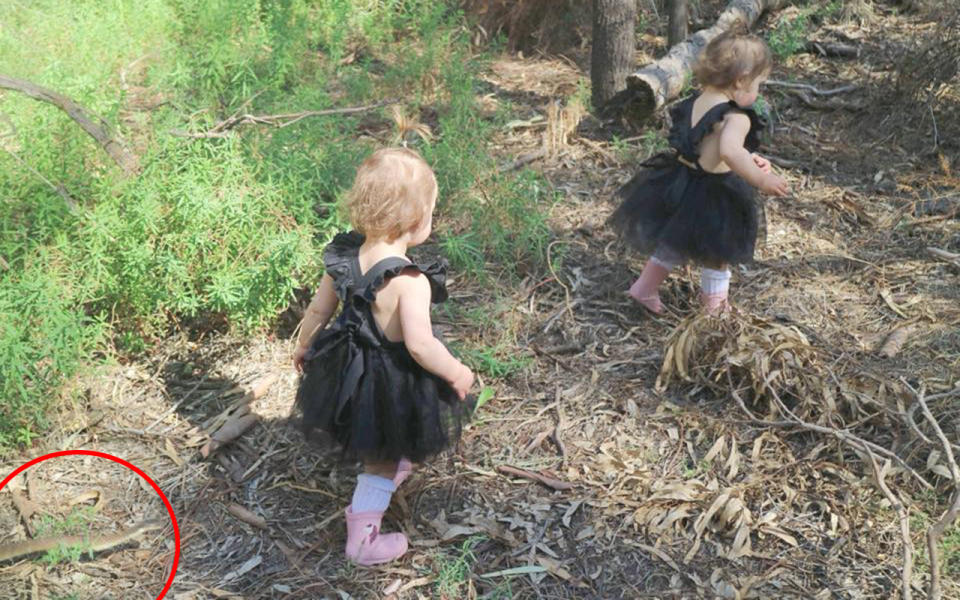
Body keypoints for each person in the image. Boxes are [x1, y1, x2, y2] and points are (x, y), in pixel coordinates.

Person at [292, 147, 474, 565]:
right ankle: (362, 541)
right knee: (382, 459)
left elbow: (320, 310)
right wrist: (458, 371)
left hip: (344, 367)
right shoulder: (410, 280)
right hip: (387, 381)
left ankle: (389, 464)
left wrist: (305, 344)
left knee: (377, 439)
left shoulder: (345, 255)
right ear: (415, 220)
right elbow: (420, 345)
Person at [611, 30, 790, 314]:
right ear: (741, 80)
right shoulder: (736, 116)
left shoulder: (700, 99)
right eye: (758, 84)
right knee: (717, 255)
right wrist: (761, 179)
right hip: (713, 193)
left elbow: (711, 143)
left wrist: (750, 157)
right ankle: (715, 310)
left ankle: (644, 288)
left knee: (674, 240)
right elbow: (731, 152)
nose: (758, 92)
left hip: (681, 181)